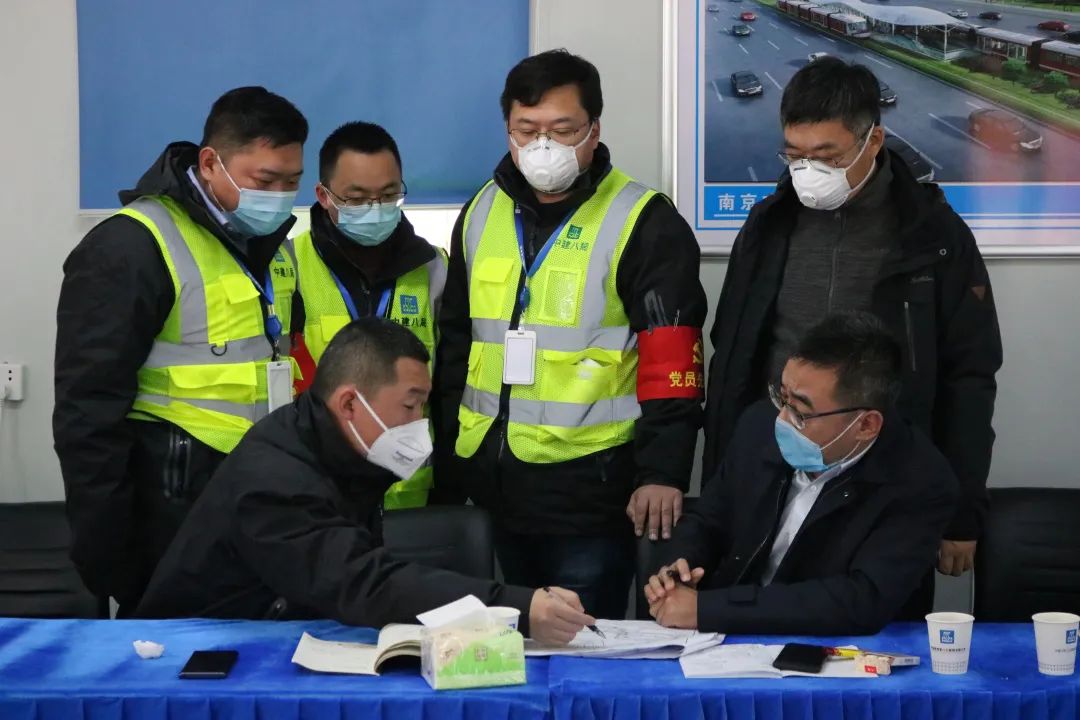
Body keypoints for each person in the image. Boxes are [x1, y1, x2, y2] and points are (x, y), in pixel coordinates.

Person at [702, 58, 1001, 585]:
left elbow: (969, 379)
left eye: (827, 156)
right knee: (749, 616)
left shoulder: (933, 237)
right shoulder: (769, 225)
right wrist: (718, 481)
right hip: (772, 466)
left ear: (873, 140)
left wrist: (962, 513)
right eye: (794, 155)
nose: (808, 172)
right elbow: (732, 353)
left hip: (885, 484)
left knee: (872, 625)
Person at [434, 49, 708, 620]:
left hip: (591, 490)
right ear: (508, 129)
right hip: (491, 481)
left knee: (585, 643)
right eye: (526, 129)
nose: (543, 146)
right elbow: (457, 342)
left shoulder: (642, 220)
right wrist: (451, 464)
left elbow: (673, 360)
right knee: (505, 644)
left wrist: (663, 473)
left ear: (593, 131)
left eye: (562, 131)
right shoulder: (481, 210)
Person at [136, 318, 593, 645]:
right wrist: (515, 608)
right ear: (350, 404)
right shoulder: (275, 479)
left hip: (270, 636)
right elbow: (363, 583)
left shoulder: (335, 448)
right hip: (193, 660)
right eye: (410, 405)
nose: (418, 423)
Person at [54, 86, 308, 613]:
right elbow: (87, 416)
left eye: (292, 182)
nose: (280, 196)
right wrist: (111, 558)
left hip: (258, 504)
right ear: (211, 163)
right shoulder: (132, 246)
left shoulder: (270, 245)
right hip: (170, 520)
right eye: (265, 181)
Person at [646, 313, 959, 635]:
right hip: (724, 634)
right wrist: (678, 568)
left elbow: (860, 600)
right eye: (782, 396)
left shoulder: (921, 483)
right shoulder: (758, 426)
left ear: (866, 425)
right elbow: (709, 518)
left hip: (837, 648)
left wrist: (709, 609)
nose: (782, 418)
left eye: (800, 411)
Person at [290, 121, 447, 510]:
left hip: (411, 498)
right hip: (319, 495)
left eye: (389, 194)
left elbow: (451, 382)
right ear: (323, 196)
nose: (375, 209)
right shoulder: (289, 266)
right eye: (357, 198)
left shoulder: (433, 268)